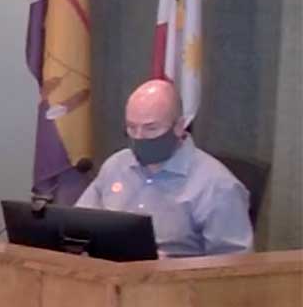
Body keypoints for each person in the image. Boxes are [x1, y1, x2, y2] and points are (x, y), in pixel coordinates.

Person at [74, 79, 252, 256]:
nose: (139, 137)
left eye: (151, 129)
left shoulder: (217, 185)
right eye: (132, 128)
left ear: (179, 127)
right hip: (112, 276)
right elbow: (77, 225)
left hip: (175, 280)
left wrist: (172, 267)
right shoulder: (116, 165)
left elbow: (235, 266)